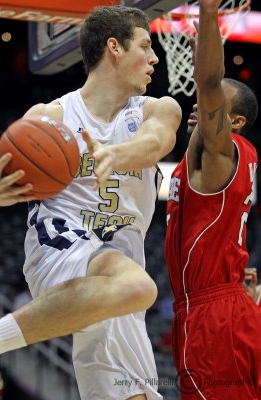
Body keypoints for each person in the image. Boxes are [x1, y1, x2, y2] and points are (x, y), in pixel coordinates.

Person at [0, 5, 182, 400]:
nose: (155, 57)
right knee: (139, 286)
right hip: (61, 246)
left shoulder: (159, 109)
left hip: (117, 270)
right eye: (145, 45)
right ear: (114, 48)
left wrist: (115, 155)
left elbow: (158, 141)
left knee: (132, 393)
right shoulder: (49, 117)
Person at [164, 0, 261, 398]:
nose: (199, 108)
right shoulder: (220, 159)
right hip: (231, 306)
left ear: (232, 120)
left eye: (212, 105)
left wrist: (207, 10)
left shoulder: (222, 151)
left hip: (213, 318)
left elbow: (207, 83)